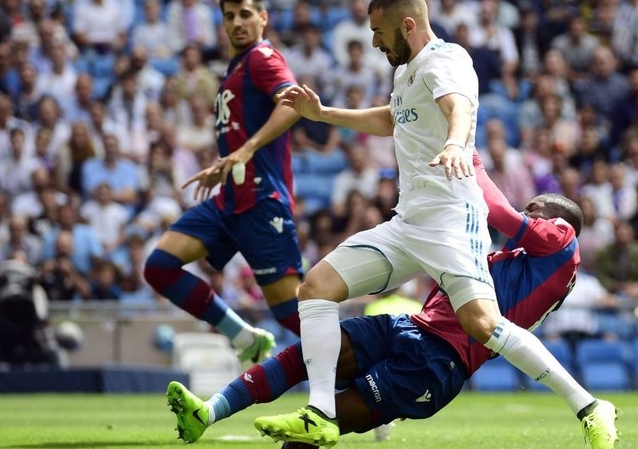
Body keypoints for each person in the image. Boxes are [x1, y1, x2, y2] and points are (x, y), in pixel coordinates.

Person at [256, 1, 617, 447]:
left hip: (451, 218)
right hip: (409, 220)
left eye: (379, 32)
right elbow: (392, 119)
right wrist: (324, 114)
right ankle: (319, 412)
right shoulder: (404, 73)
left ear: (407, 26)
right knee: (315, 288)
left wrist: (454, 143)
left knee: (482, 324)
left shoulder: (447, 60)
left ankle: (588, 405)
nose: (373, 41)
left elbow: (458, 107)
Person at [167, 154, 620, 449]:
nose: (529, 213)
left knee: (316, 429)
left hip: (439, 362)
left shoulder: (564, 243)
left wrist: (472, 163)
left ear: (558, 220)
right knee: (310, 353)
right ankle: (207, 413)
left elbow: (502, 213)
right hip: (411, 327)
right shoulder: (508, 260)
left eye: (537, 208)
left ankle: (588, 407)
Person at [143, 0, 302, 364]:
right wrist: (228, 161)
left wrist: (246, 150)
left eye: (246, 14)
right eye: (229, 16)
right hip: (230, 200)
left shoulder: (263, 58)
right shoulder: (236, 68)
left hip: (261, 201)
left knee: (293, 315)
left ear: (263, 18)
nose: (237, 23)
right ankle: (243, 335)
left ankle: (370, 382)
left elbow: (293, 103)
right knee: (160, 266)